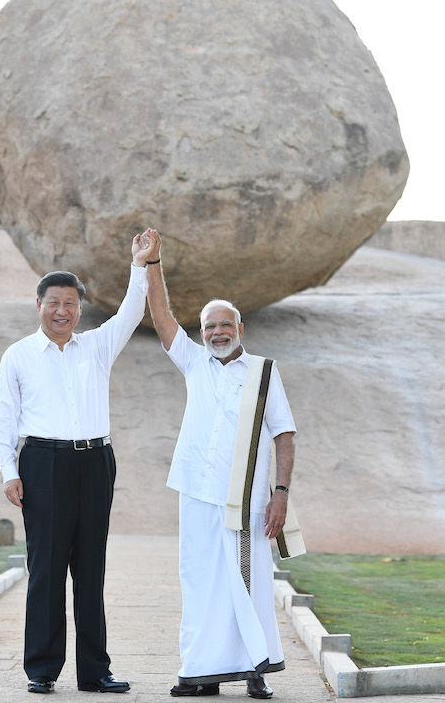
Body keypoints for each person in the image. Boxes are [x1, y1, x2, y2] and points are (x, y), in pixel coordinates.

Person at [0, 232, 158, 695]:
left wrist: (139, 264)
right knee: (46, 569)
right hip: (42, 464)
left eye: (70, 303)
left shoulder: (98, 346)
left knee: (91, 568)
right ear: (39, 305)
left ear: (80, 309)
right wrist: (9, 472)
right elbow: (4, 420)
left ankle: (95, 672)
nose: (61, 310)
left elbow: (132, 311)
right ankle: (42, 669)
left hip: (95, 462)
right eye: (53, 303)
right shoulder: (18, 356)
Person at [141, 228, 297, 700]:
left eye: (225, 325)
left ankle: (254, 669)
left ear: (240, 329)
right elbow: (161, 316)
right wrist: (153, 263)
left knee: (248, 582)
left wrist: (281, 495)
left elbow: (284, 435)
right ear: (201, 332)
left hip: (247, 499)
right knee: (199, 580)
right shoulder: (194, 363)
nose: (217, 333)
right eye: (209, 326)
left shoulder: (264, 372)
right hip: (196, 491)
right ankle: (201, 670)